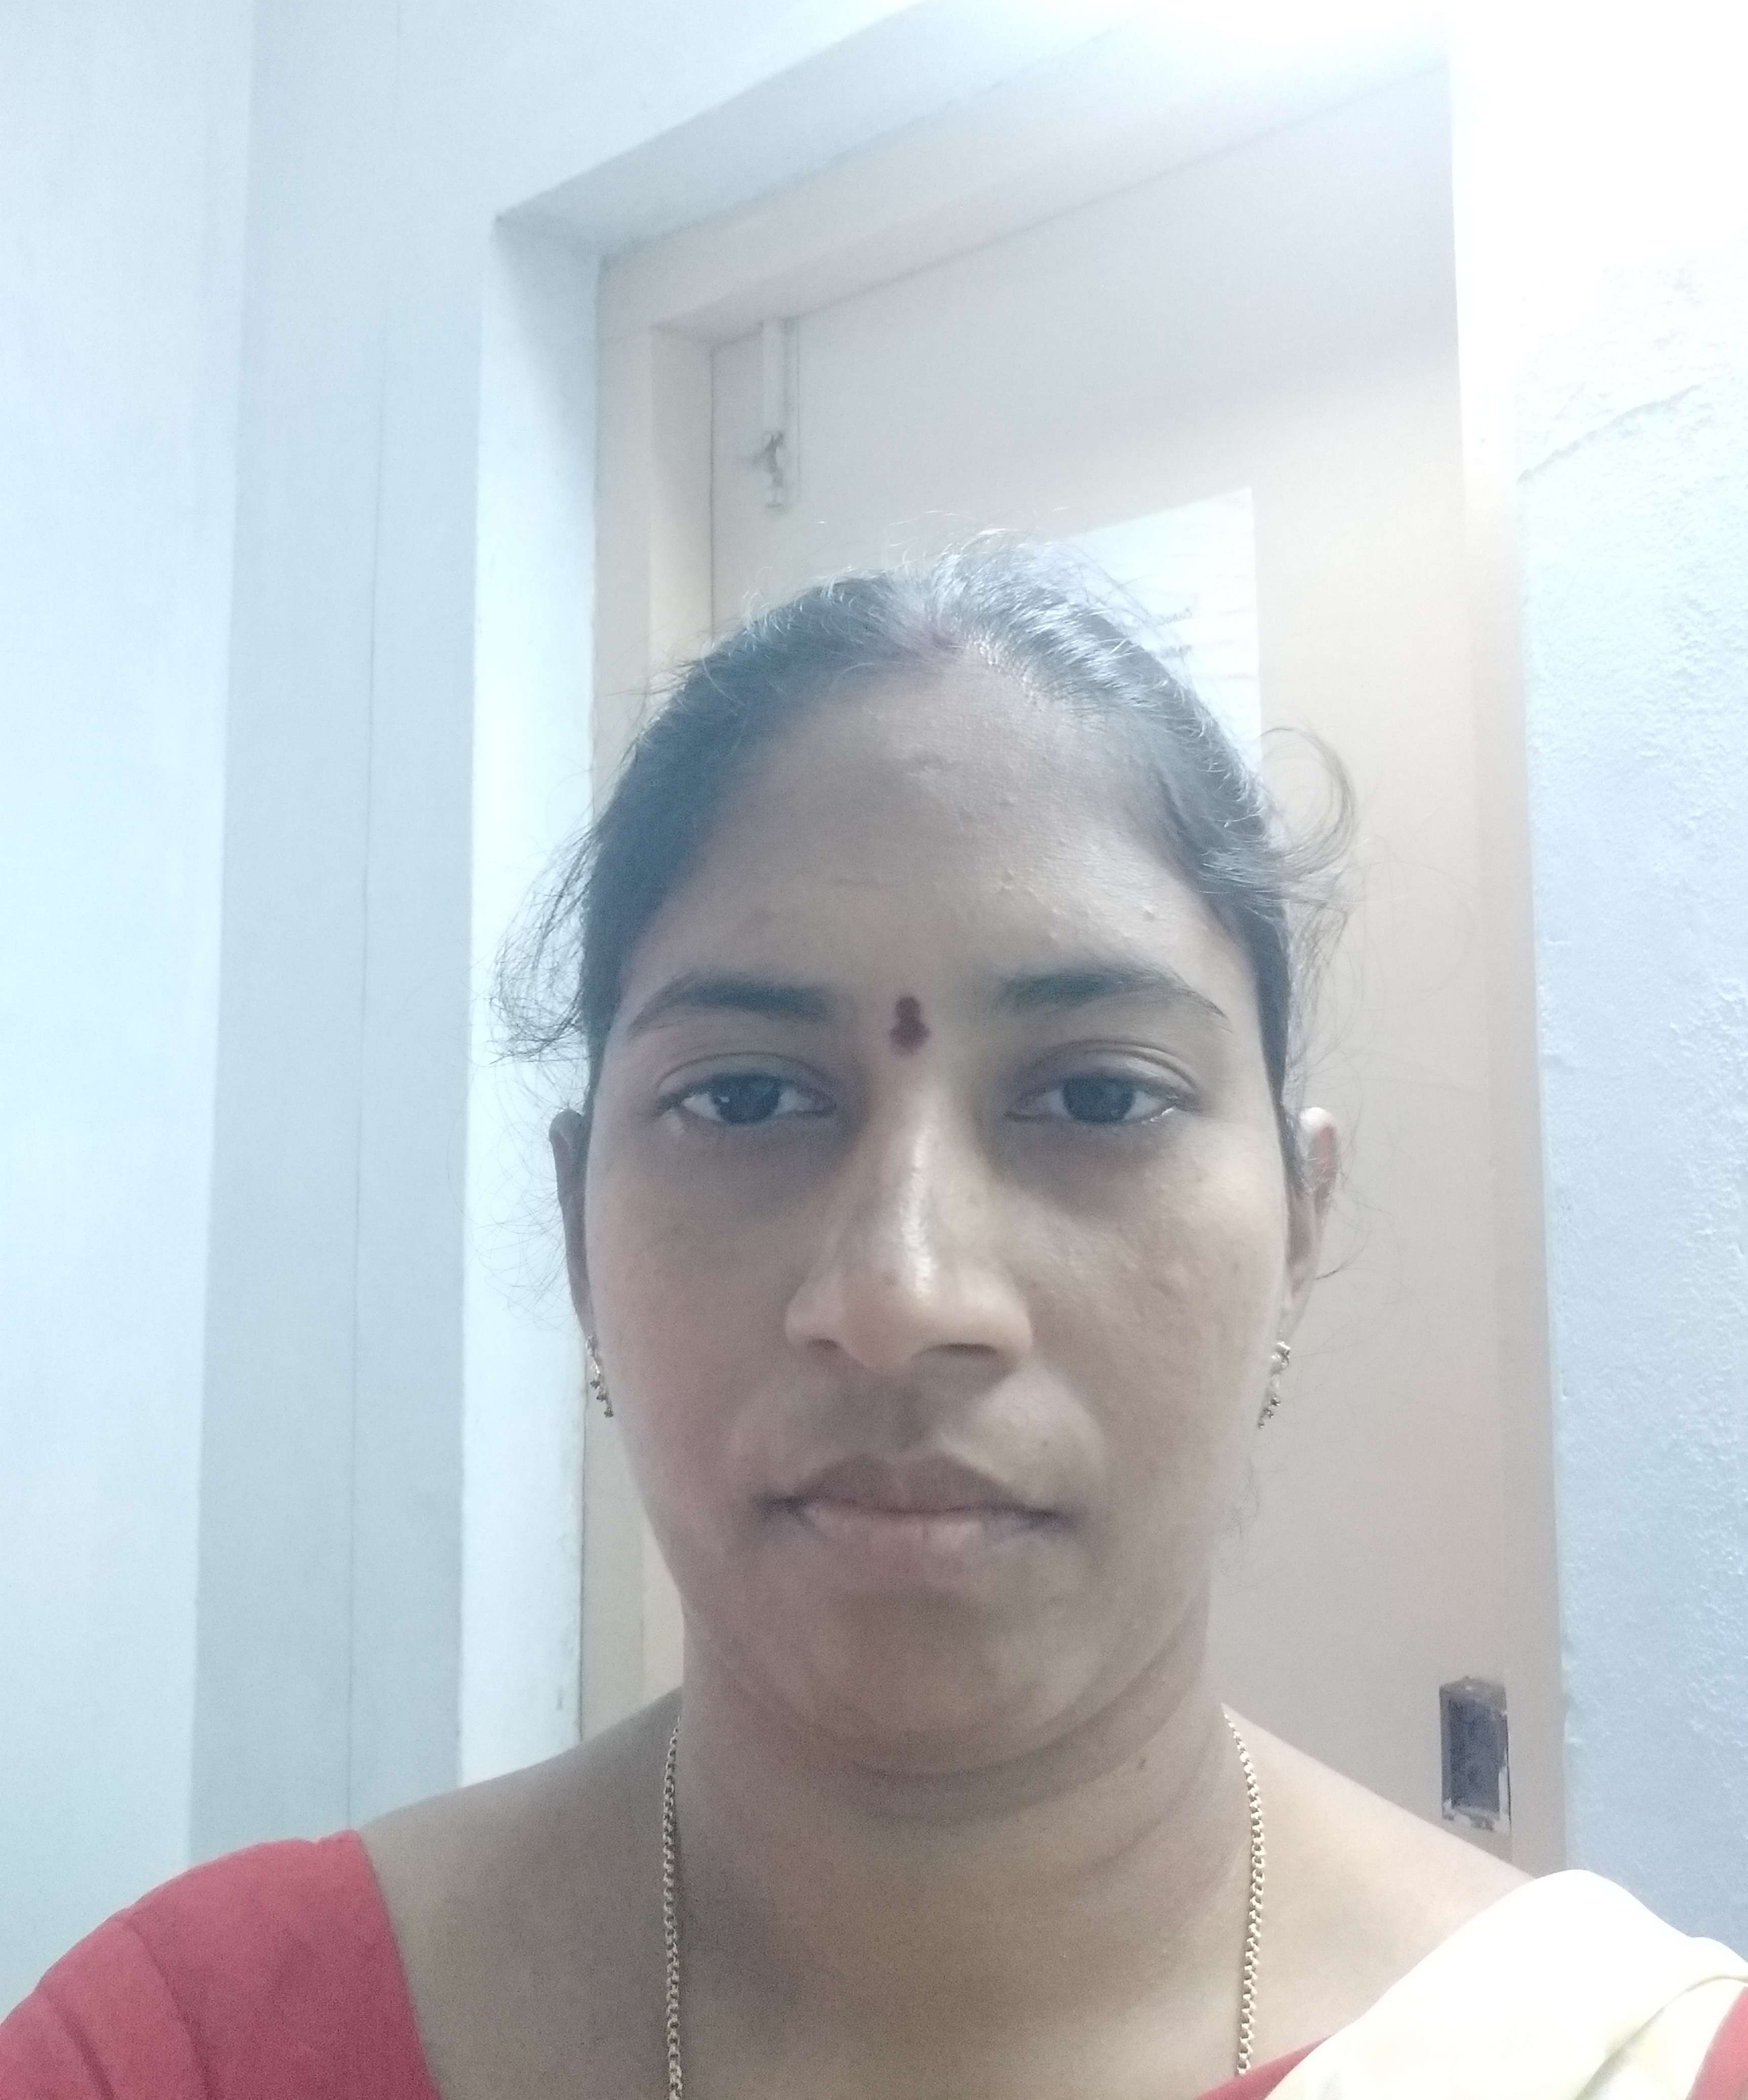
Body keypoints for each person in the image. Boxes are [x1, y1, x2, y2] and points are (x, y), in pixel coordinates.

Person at [6, 549, 1746, 2100]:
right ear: (579, 1229)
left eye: (1100, 1097)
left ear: (1300, 1223)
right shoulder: (188, 2051)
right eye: (747, 1097)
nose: (905, 1297)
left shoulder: (1630, 2064)